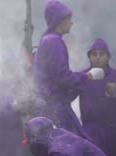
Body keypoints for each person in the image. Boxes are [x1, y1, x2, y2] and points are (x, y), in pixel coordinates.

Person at [33, 0, 101, 139]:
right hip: (55, 108)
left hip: (49, 106)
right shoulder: (53, 41)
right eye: (68, 19)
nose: (71, 22)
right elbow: (62, 77)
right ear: (59, 20)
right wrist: (87, 76)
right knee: (70, 146)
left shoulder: (47, 40)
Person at [79, 38, 116, 156]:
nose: (97, 57)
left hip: (111, 127)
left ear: (108, 57)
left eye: (101, 54)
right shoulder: (82, 76)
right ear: (89, 57)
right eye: (94, 54)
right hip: (90, 128)